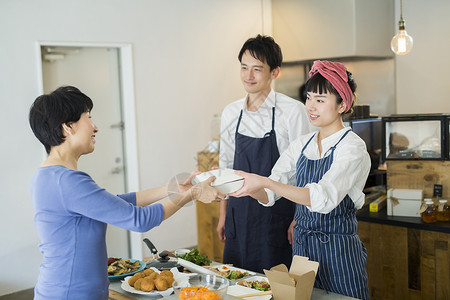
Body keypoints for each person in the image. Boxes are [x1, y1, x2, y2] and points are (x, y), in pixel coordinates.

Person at [28, 86, 224, 300]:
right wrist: (192, 194)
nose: (95, 127)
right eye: (89, 118)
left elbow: (114, 204)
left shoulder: (48, 175)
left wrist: (170, 189)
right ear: (68, 127)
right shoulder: (68, 181)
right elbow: (139, 220)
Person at [229, 60, 370, 300]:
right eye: (309, 97)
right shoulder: (301, 144)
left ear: (342, 104)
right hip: (303, 253)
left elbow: (322, 198)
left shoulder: (352, 147)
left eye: (320, 100)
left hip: (339, 253)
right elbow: (269, 194)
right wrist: (245, 186)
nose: (311, 107)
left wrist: (265, 182)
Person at [217, 34, 311, 273]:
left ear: (275, 72)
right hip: (239, 215)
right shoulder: (231, 112)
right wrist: (223, 215)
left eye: (257, 69)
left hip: (278, 217)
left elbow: (305, 170)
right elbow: (225, 167)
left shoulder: (292, 111)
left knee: (277, 286)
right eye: (244, 67)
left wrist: (299, 218)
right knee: (238, 283)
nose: (249, 76)